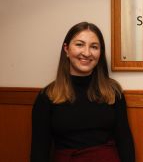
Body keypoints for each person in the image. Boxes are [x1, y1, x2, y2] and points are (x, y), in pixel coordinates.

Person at [30, 22, 135, 162]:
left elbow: (125, 142)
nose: (86, 53)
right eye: (79, 44)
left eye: (94, 47)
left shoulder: (113, 92)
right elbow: (39, 150)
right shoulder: (47, 96)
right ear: (66, 49)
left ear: (100, 52)